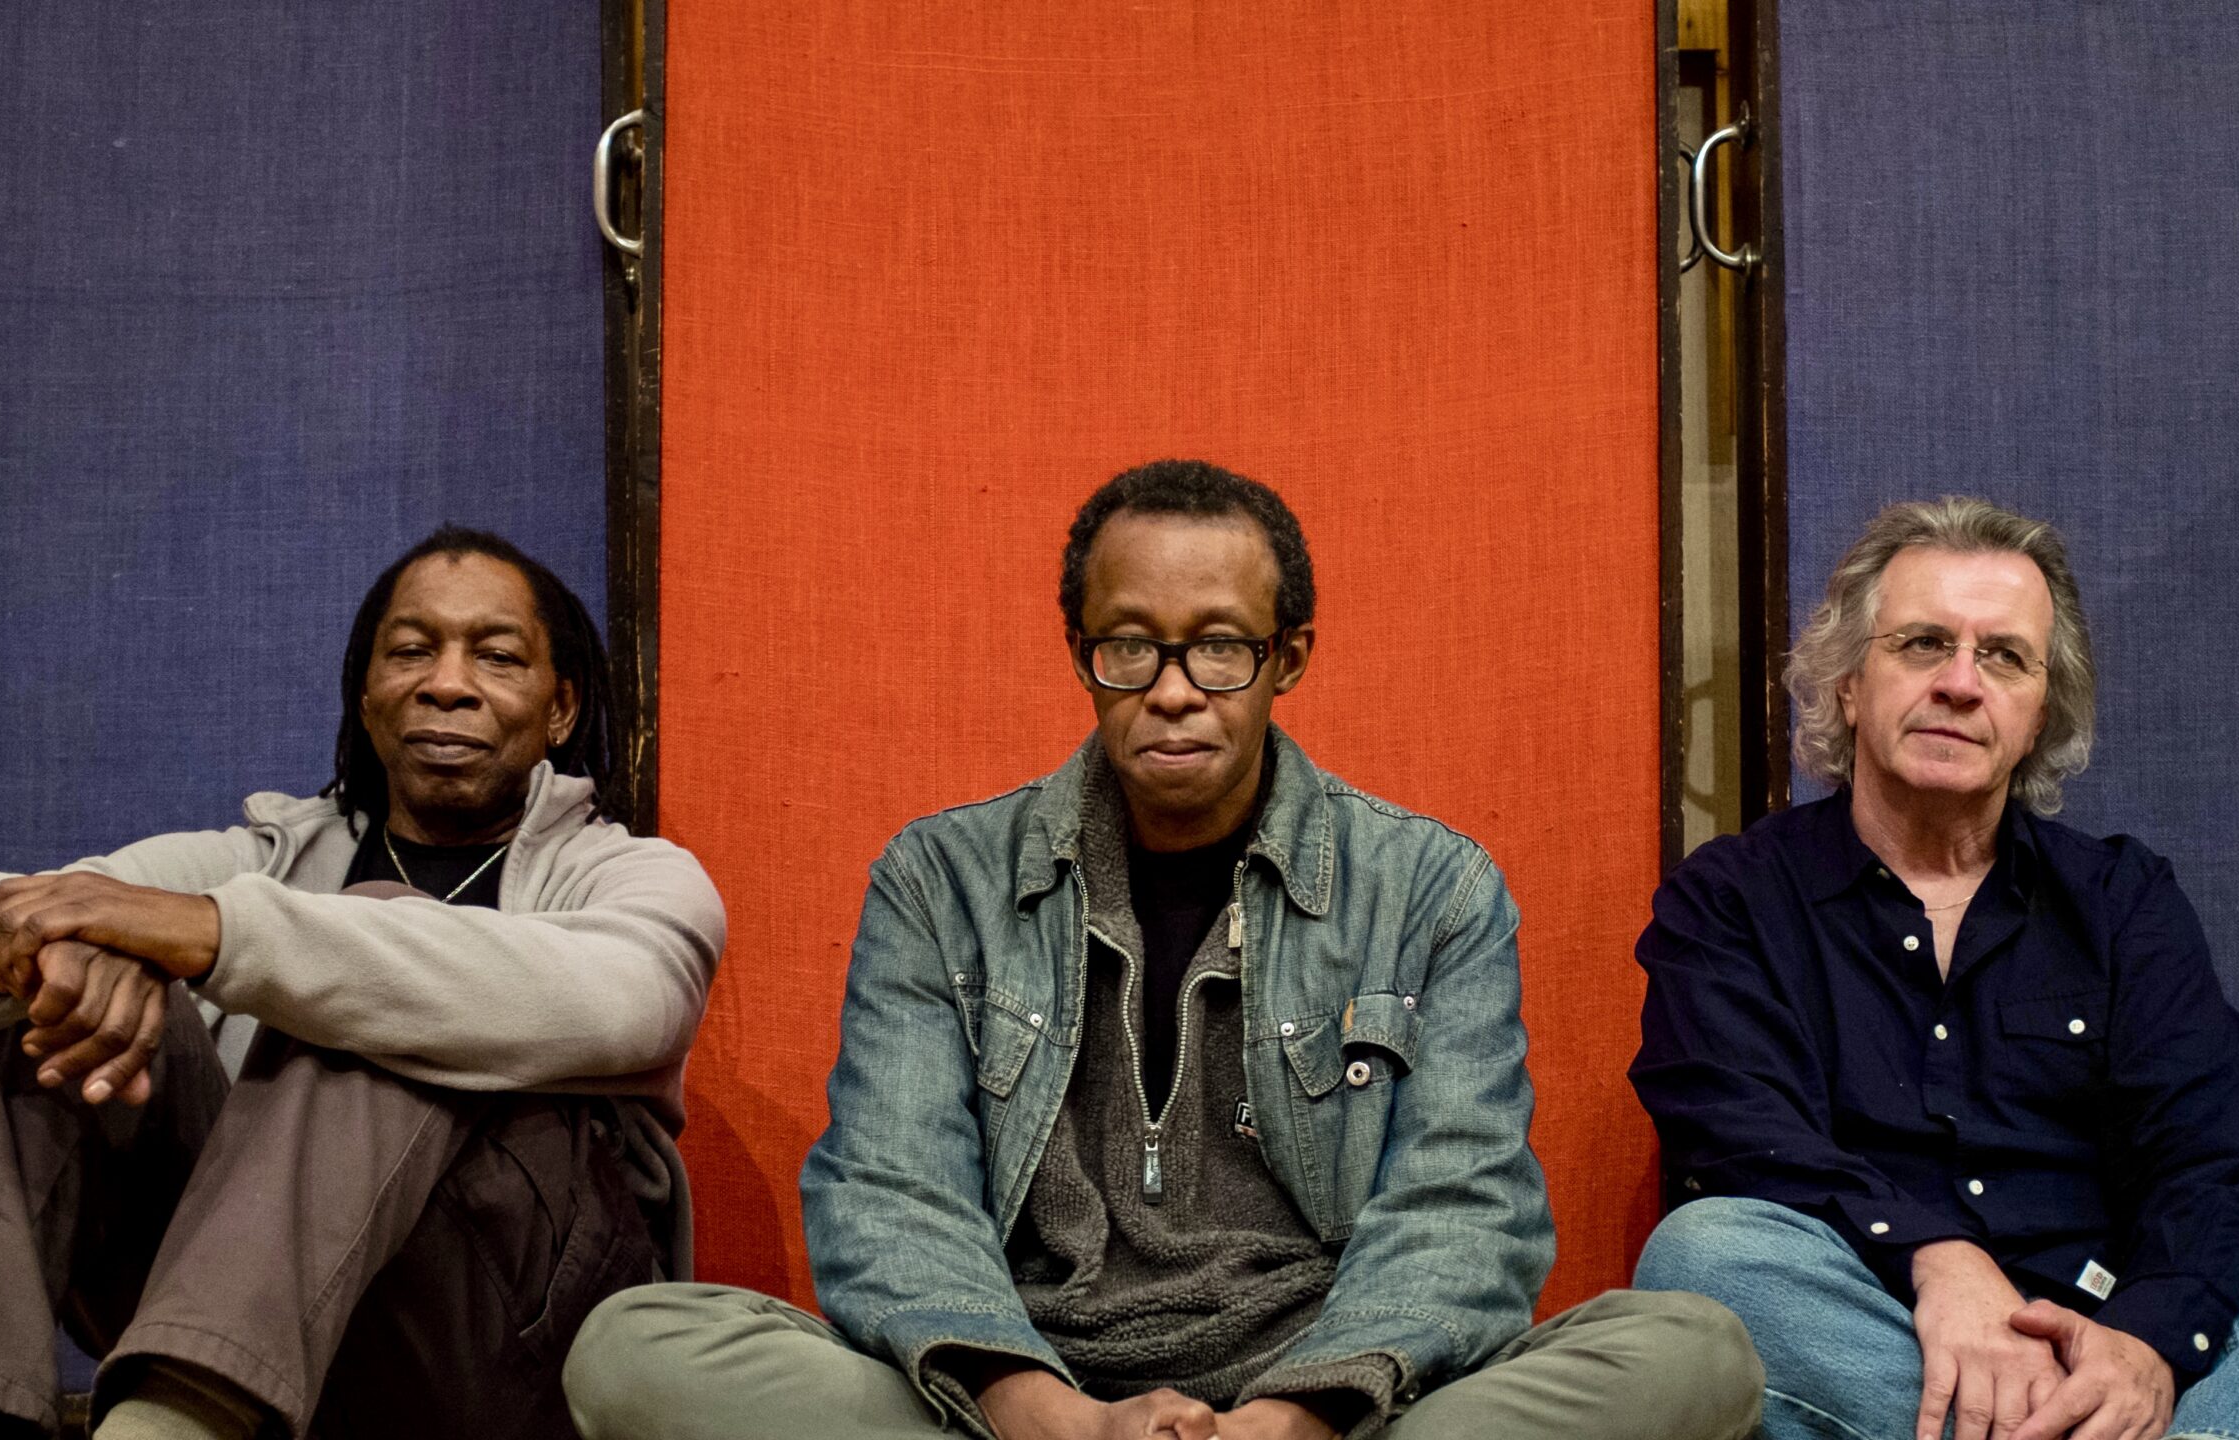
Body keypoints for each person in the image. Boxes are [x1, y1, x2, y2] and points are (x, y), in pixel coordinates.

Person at [565, 459, 1762, 1440]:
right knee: (639, 1350)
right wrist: (1054, 1418)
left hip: (1327, 1400)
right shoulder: (941, 880)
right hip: (1022, 1398)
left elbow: (1467, 1208)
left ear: (1287, 659)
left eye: (1220, 648)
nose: (1175, 691)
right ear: (1078, 648)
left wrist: (1294, 1417)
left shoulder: (1428, 886)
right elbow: (891, 1192)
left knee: (1689, 1353)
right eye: (1130, 645)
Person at [0, 528, 726, 1440]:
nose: (447, 682)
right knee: (55, 999)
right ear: (368, 698)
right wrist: (65, 951)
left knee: (376, 966)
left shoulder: (633, 875)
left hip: (500, 1343)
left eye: (495, 656)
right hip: (272, 1338)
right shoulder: (263, 859)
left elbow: (631, 1004)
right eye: (411, 650)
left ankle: (175, 1425)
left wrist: (219, 933)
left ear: (560, 707)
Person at [1630, 496, 2239, 1440]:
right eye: (1921, 644)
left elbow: (2208, 1161)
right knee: (1705, 1256)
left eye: (2003, 657)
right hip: (1887, 1335)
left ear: (2037, 717)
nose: (1959, 683)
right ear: (1848, 684)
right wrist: (1937, 1257)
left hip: (2120, 1343)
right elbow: (1736, 1134)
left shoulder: (2122, 901)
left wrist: (2145, 1346)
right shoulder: (1733, 901)